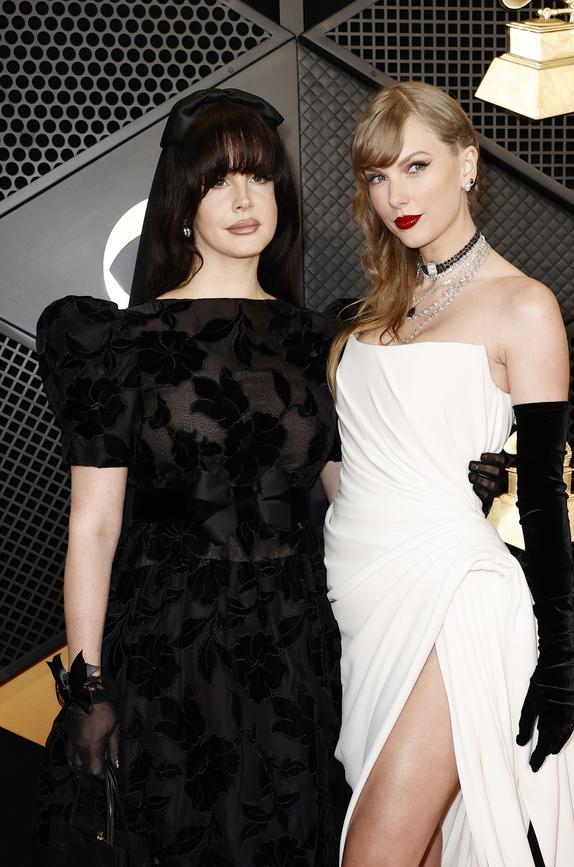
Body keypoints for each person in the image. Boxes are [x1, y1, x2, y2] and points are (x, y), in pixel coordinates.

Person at [323, 81, 574, 867]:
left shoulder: (523, 306)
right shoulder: (377, 312)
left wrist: (560, 658)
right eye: (377, 176)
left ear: (468, 163)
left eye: (416, 165)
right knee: (422, 847)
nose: (395, 194)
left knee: (375, 852)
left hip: (454, 595)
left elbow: (542, 497)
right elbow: (351, 468)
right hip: (366, 598)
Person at [33, 87, 350, 867]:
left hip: (299, 639)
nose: (245, 198)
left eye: (261, 176)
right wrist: (90, 685)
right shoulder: (118, 340)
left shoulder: (324, 341)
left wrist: (442, 499)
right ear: (183, 203)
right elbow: (95, 525)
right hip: (168, 641)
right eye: (219, 179)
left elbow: (352, 500)